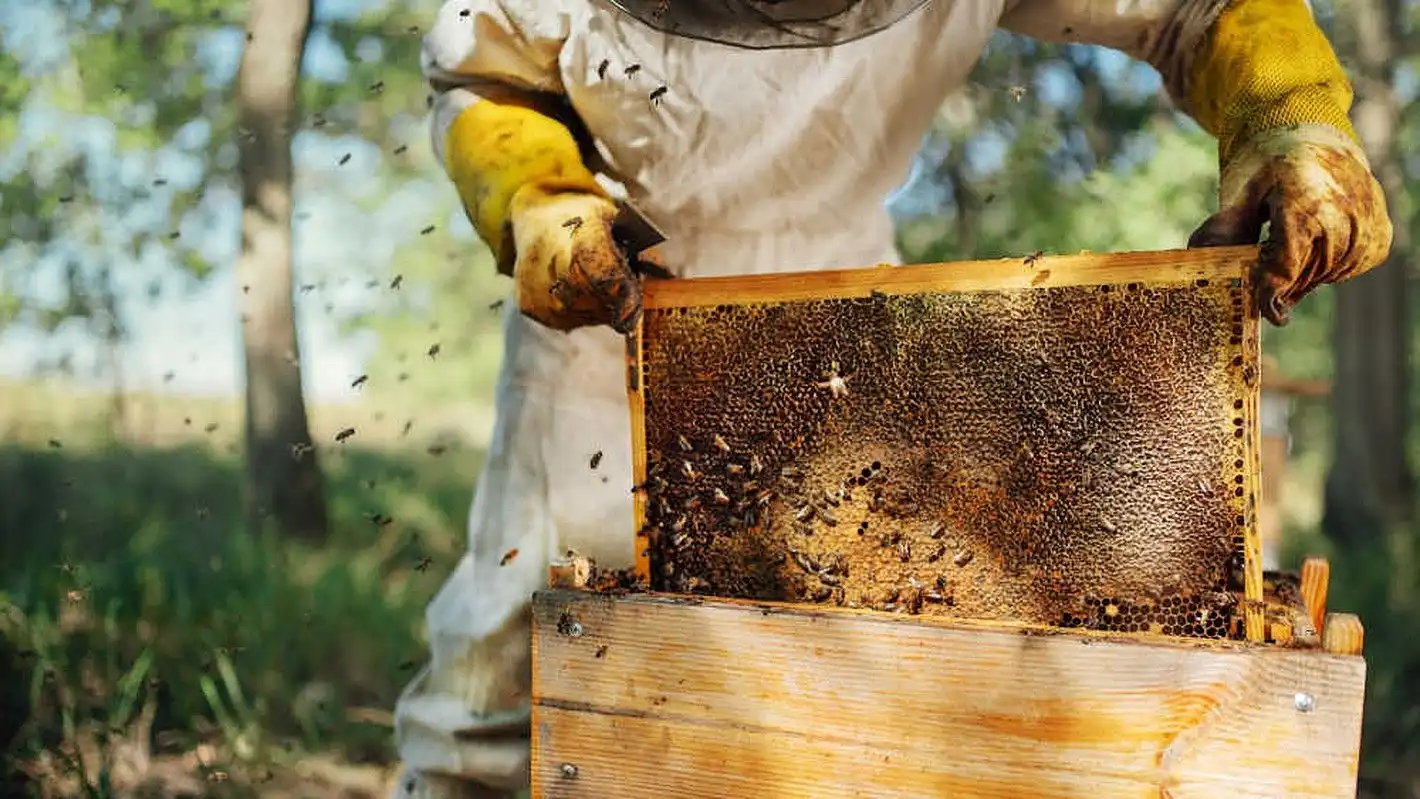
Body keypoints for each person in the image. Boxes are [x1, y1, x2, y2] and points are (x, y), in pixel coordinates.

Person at [390, 0, 1393, 795]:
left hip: (849, 316)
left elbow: (1200, 7)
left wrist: (1290, 119)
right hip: (614, 296)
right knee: (505, 670)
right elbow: (486, 72)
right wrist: (538, 197)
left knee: (843, 665)